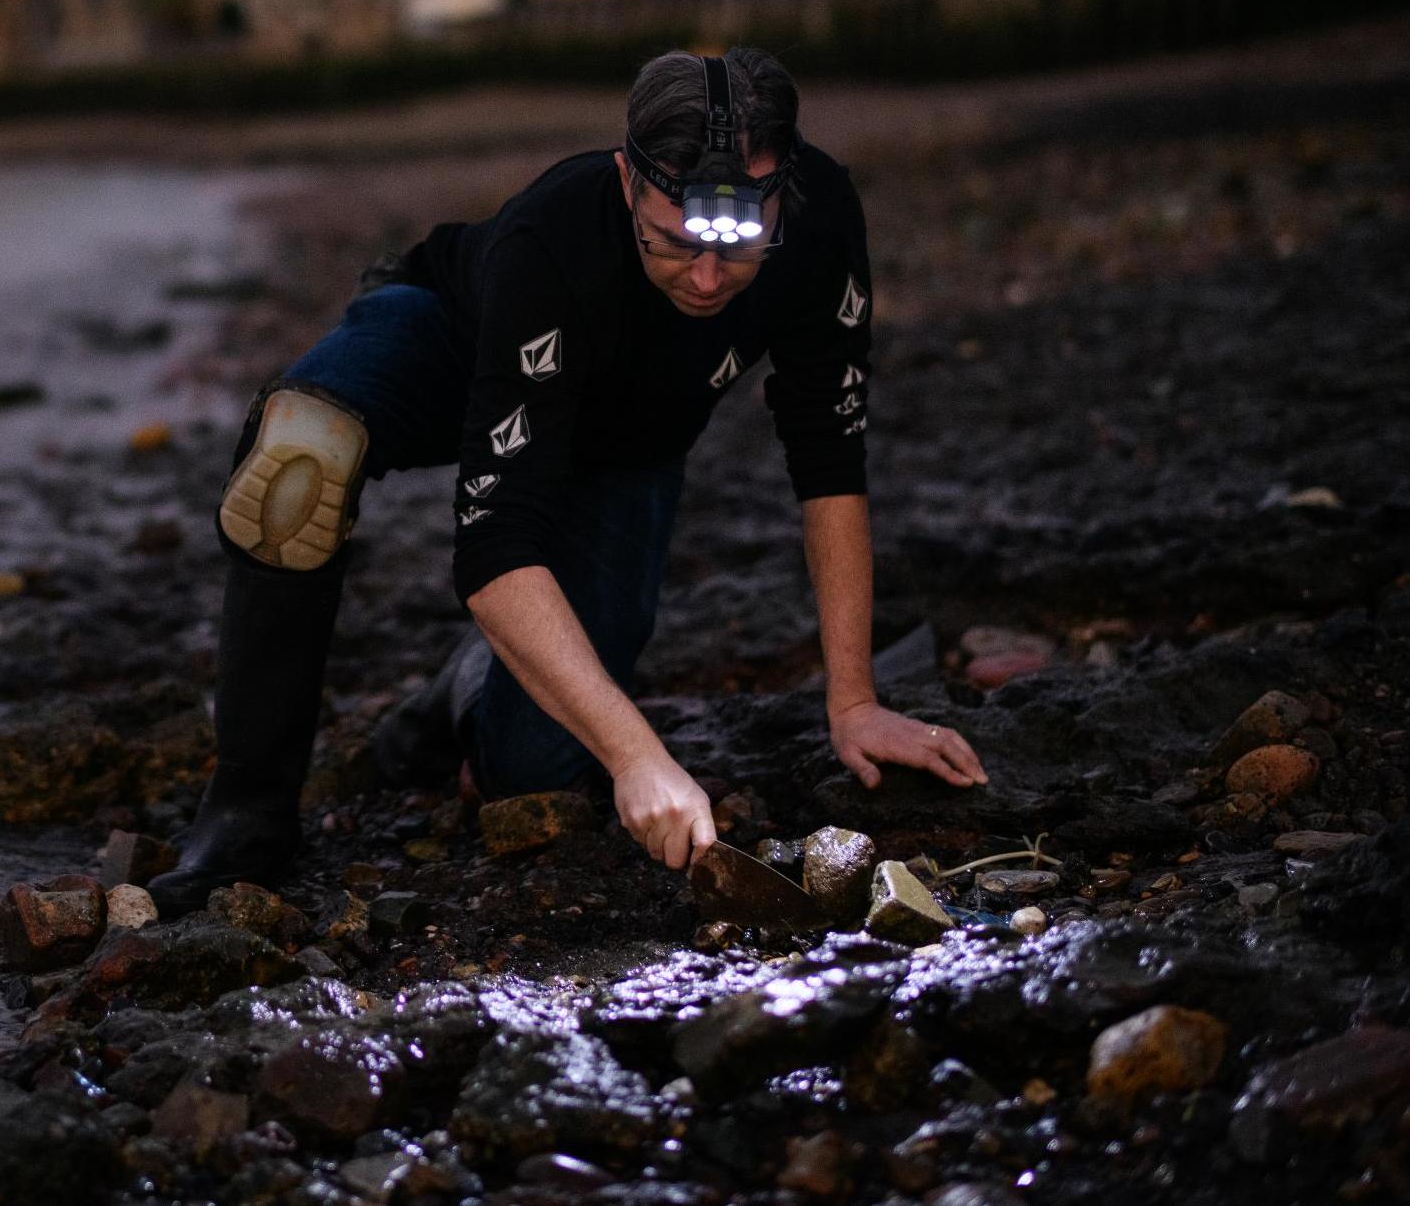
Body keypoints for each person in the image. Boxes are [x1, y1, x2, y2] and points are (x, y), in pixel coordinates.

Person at [148, 47, 989, 915]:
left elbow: (828, 459)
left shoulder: (820, 223)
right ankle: (247, 808)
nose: (705, 280)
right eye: (673, 243)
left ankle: (459, 688)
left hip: (625, 446)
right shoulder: (551, 238)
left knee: (530, 771)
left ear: (782, 194)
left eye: (736, 251)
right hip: (455, 342)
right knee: (299, 460)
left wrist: (853, 702)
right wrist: (638, 756)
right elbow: (491, 544)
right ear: (628, 181)